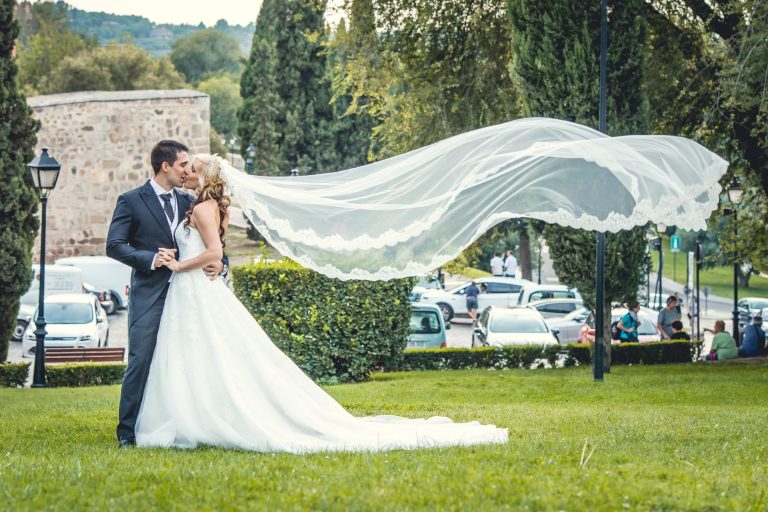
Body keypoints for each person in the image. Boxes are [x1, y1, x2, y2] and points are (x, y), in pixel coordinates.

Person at [133, 154, 507, 452]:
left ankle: (196, 418)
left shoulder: (201, 208)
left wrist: (182, 264)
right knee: (207, 352)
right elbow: (215, 251)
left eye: (193, 169)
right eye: (186, 168)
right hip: (198, 290)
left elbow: (213, 250)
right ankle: (197, 415)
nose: (187, 173)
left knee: (203, 350)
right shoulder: (212, 206)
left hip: (194, 287)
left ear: (205, 177)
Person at [106, 141, 226, 448]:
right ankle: (127, 432)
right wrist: (150, 258)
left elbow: (211, 240)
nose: (188, 170)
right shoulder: (131, 200)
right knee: (141, 359)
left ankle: (185, 425)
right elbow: (114, 245)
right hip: (150, 294)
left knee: (188, 361)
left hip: (189, 295)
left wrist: (220, 264)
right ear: (166, 166)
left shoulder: (190, 200)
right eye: (183, 164)